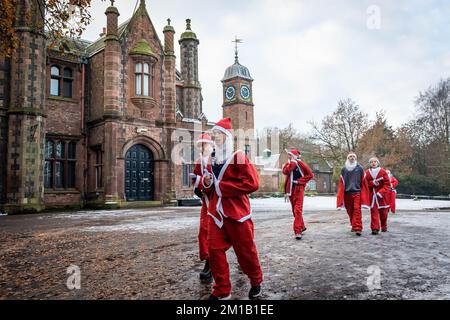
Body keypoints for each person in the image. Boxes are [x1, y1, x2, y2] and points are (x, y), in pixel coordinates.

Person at [194, 117, 263, 300]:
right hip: (216, 213)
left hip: (237, 213)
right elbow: (210, 185)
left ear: (226, 136)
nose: (214, 136)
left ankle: (256, 280)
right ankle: (222, 290)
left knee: (245, 252)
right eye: (212, 134)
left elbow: (252, 183)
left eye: (217, 133)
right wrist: (207, 183)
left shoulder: (239, 156)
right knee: (214, 249)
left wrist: (222, 187)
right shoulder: (212, 159)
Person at [192, 133, 214, 281]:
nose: (201, 148)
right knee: (205, 232)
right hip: (207, 202)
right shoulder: (199, 162)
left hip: (220, 202)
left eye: (204, 144)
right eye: (199, 145)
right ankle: (209, 262)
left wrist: (202, 183)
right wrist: (197, 187)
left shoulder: (218, 159)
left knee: (234, 234)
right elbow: (196, 177)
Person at [282, 149, 314, 240]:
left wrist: (300, 181)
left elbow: (310, 175)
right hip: (290, 190)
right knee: (294, 211)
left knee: (298, 210)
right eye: (288, 155)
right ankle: (302, 226)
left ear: (295, 156)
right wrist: (291, 163)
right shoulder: (289, 164)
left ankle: (297, 231)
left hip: (299, 189)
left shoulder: (301, 164)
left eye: (291, 155)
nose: (289, 157)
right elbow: (285, 171)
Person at [336, 152, 370, 236]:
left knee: (357, 210)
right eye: (350, 156)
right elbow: (341, 182)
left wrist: (364, 193)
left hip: (357, 192)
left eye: (353, 156)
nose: (352, 158)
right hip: (347, 193)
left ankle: (358, 228)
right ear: (348, 158)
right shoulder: (344, 169)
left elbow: (364, 181)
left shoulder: (360, 168)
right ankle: (353, 225)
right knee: (350, 210)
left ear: (356, 158)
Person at [365, 157, 391, 234]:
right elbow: (365, 184)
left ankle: (384, 226)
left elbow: (387, 184)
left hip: (382, 197)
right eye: (372, 162)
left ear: (378, 163)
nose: (373, 163)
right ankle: (375, 229)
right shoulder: (367, 172)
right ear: (370, 163)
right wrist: (372, 183)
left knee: (384, 213)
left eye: (375, 161)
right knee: (374, 213)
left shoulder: (383, 171)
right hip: (373, 197)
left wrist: (381, 192)